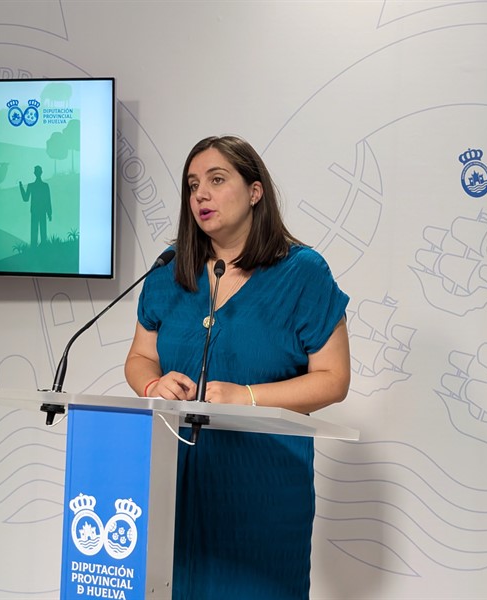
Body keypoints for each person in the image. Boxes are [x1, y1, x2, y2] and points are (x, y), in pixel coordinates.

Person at [125, 135, 350, 599]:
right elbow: (141, 357)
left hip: (263, 491)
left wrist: (246, 397)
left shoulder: (303, 272)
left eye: (216, 180)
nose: (200, 195)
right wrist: (152, 385)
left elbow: (334, 379)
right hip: (172, 485)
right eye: (192, 185)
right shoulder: (169, 269)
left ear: (254, 191)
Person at [19, 165, 52, 247]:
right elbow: (48, 200)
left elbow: (25, 198)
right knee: (42, 231)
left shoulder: (32, 186)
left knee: (35, 231)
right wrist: (49, 213)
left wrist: (21, 188)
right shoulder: (44, 186)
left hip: (35, 211)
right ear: (41, 172)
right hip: (41, 211)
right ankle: (41, 247)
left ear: (34, 173)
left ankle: (36, 248)